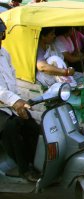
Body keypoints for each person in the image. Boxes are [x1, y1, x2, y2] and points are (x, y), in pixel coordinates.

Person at [0, 18, 40, 182]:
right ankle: (23, 169)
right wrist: (14, 101)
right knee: (12, 127)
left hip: (8, 104)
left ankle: (34, 163)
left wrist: (19, 103)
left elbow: (12, 79)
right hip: (4, 106)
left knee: (32, 125)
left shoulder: (5, 54)